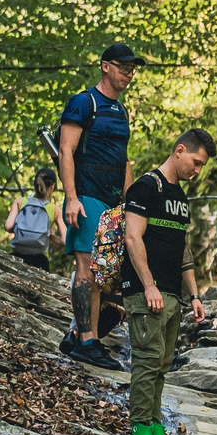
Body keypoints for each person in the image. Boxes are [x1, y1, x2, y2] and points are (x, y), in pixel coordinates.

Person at [115, 129, 214, 435]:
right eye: (196, 162)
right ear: (179, 150)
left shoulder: (179, 197)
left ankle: (156, 434)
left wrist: (194, 295)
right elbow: (132, 237)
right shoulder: (145, 187)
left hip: (172, 294)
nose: (197, 171)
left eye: (201, 166)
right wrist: (148, 285)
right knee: (146, 361)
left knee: (161, 366)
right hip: (146, 292)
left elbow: (182, 247)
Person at [56, 43, 142, 369]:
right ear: (106, 66)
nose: (129, 74)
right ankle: (88, 343)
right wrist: (72, 197)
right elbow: (66, 150)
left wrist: (132, 203)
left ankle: (76, 335)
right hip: (86, 196)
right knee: (88, 269)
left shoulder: (121, 112)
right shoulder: (84, 102)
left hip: (113, 203)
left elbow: (124, 160)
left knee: (108, 276)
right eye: (123, 67)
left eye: (132, 69)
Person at [0, 166, 63, 268]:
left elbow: (8, 226)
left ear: (35, 184)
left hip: (17, 256)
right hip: (40, 260)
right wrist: (49, 236)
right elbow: (64, 240)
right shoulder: (55, 209)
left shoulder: (20, 202)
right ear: (52, 187)